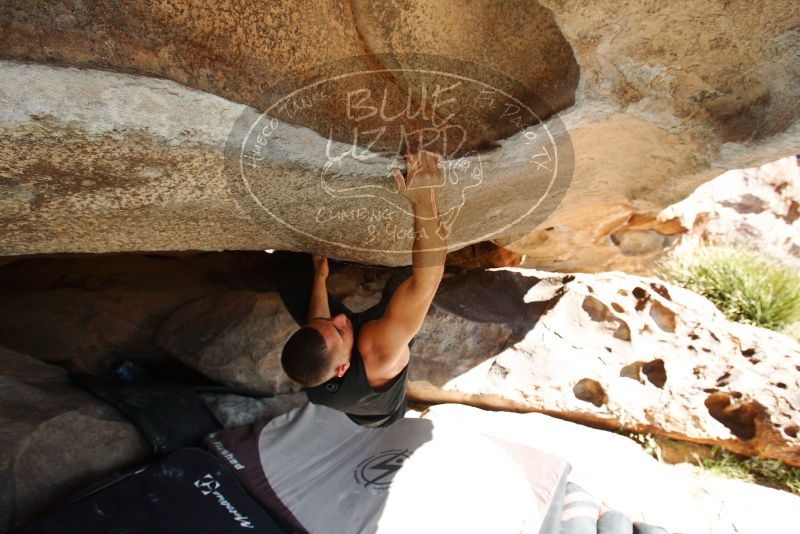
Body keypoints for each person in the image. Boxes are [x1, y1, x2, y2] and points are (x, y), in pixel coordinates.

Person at [274, 150, 447, 428]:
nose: (340, 318)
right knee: (405, 279)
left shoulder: (315, 369)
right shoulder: (379, 350)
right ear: (343, 368)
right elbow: (428, 279)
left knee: (288, 271)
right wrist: (424, 199)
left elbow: (320, 327)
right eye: (339, 329)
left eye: (326, 321)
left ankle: (345, 266)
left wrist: (319, 278)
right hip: (384, 409)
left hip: (343, 364)